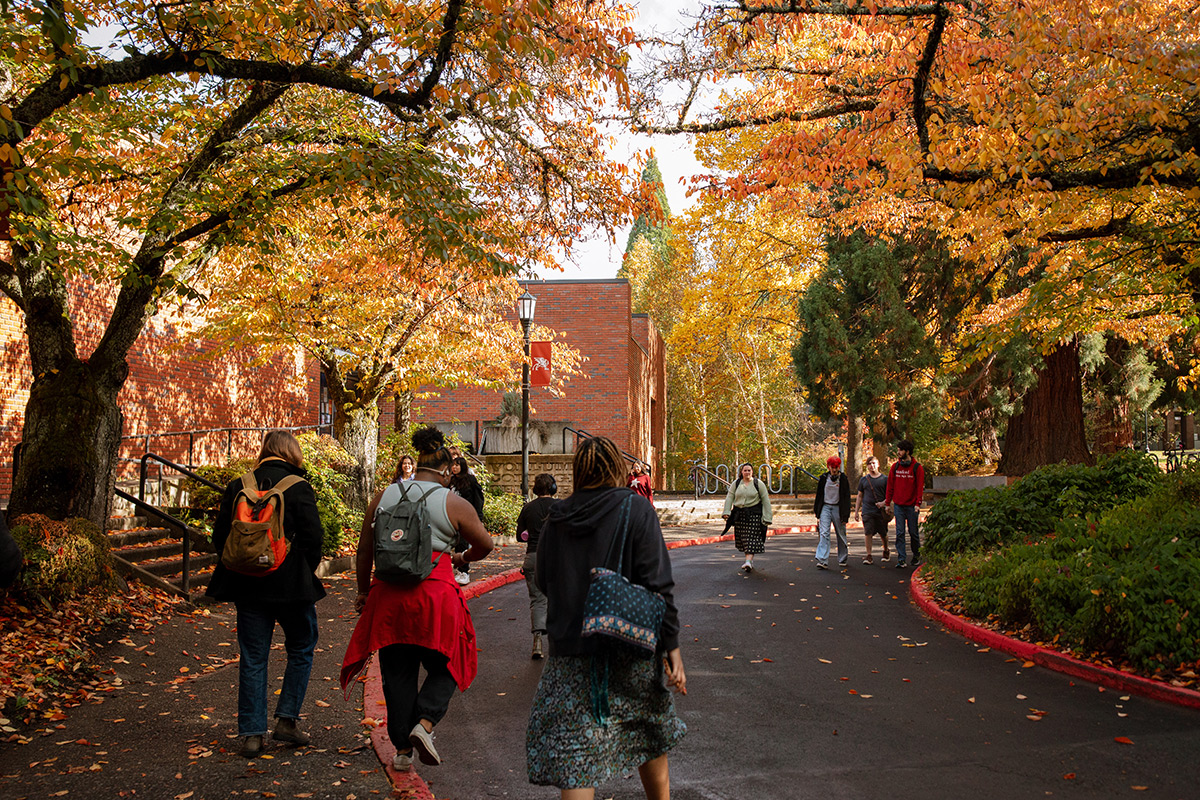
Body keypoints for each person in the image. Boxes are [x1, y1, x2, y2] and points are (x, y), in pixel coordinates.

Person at [526, 436, 686, 799]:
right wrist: (672, 647)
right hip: (630, 648)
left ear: (578, 470)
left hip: (571, 654)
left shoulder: (557, 517)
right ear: (616, 467)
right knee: (648, 733)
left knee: (576, 756)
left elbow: (544, 580)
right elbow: (658, 583)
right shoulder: (636, 509)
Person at [341, 427, 493, 771]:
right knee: (450, 662)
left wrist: (363, 591)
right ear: (443, 470)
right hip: (434, 597)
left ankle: (402, 753)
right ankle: (424, 724)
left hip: (389, 596)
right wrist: (462, 559)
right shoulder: (451, 501)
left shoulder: (384, 496)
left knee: (397, 673)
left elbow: (365, 548)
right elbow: (485, 544)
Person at [206, 430, 326, 758]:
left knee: (253, 656)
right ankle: (286, 720)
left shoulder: (239, 485)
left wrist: (245, 563)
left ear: (265, 450)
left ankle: (252, 734)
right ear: (291, 452)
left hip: (247, 585)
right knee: (301, 646)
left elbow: (220, 536)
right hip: (291, 588)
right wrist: (301, 569)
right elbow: (314, 537)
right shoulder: (298, 486)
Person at [515, 472, 559, 660]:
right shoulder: (560, 507)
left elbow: (519, 536)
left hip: (532, 557)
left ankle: (537, 642)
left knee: (537, 600)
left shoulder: (528, 508)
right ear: (553, 488)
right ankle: (558, 645)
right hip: (556, 557)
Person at [721, 463, 773, 571]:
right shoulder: (736, 483)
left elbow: (765, 500)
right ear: (741, 472)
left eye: (749, 470)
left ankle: (748, 561)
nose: (747, 472)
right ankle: (748, 560)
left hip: (754, 515)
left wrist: (767, 517)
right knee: (744, 540)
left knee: (751, 539)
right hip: (740, 516)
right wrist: (726, 512)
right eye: (745, 470)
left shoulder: (758, 484)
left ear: (752, 472)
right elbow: (729, 497)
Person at [885, 439, 925, 569]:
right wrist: (887, 503)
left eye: (900, 450)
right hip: (898, 505)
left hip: (912, 506)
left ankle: (916, 555)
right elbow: (890, 486)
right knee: (899, 532)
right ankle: (901, 559)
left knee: (913, 532)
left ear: (907, 451)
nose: (898, 453)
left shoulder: (917, 468)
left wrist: (918, 503)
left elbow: (919, 487)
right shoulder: (895, 467)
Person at [448, 455, 485, 586]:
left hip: (465, 518)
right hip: (450, 517)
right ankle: (453, 571)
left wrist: (478, 518)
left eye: (457, 465)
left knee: (462, 544)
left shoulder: (470, 480)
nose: (454, 467)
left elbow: (478, 499)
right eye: (453, 465)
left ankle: (463, 572)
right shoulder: (450, 481)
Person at [813, 455, 851, 570]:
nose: (834, 469)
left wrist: (845, 516)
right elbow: (819, 496)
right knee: (824, 533)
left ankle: (843, 557)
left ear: (839, 467)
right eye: (832, 467)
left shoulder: (843, 479)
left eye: (836, 467)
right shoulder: (824, 478)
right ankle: (822, 559)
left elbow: (846, 497)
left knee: (841, 533)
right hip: (825, 507)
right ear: (828, 467)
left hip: (838, 508)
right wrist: (817, 513)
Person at [853, 456, 890, 565]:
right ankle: (869, 555)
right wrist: (856, 511)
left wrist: (884, 503)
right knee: (868, 532)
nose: (871, 466)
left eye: (873, 463)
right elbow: (860, 496)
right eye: (869, 464)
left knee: (883, 533)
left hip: (881, 511)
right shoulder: (864, 480)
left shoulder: (885, 479)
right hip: (867, 510)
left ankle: (886, 550)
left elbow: (890, 495)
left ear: (878, 464)